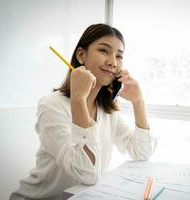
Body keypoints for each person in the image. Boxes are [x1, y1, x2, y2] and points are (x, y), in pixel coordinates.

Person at [10, 23, 157, 200]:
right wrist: (79, 99)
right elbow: (87, 173)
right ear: (81, 55)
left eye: (119, 56)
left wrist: (138, 102)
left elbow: (142, 153)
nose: (113, 62)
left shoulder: (107, 110)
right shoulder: (51, 105)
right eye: (104, 51)